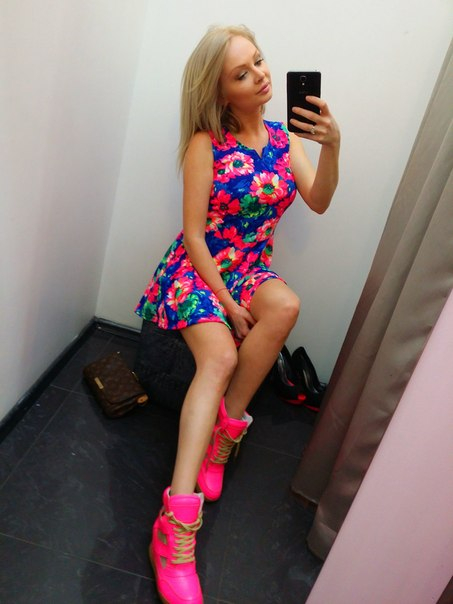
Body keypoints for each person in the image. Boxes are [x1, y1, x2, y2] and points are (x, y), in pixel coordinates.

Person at [135, 24, 340, 604]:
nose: (261, 76)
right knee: (220, 356)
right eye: (242, 73)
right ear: (221, 91)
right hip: (198, 271)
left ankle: (222, 436)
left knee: (286, 305)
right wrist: (226, 303)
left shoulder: (283, 139)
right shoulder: (206, 143)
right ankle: (174, 527)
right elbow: (194, 235)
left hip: (249, 267)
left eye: (260, 62)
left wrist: (333, 145)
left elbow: (319, 200)